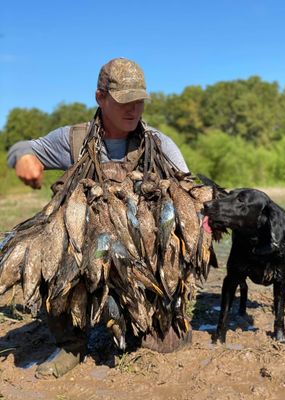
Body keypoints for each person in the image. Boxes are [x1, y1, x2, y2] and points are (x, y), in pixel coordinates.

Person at [7, 57, 191, 378]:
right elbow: (21, 147)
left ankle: (147, 318)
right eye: (124, 101)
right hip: (87, 252)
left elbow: (189, 193)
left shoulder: (158, 144)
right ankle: (71, 345)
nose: (133, 109)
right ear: (100, 97)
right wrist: (23, 158)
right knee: (48, 241)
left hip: (140, 257)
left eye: (139, 101)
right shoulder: (73, 140)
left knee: (163, 335)